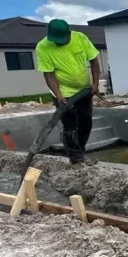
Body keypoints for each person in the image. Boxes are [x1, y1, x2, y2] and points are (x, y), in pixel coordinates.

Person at [35, 19, 101, 165]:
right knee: (70, 125)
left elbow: (94, 61)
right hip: (63, 92)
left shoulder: (80, 38)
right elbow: (49, 74)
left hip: (84, 90)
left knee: (85, 123)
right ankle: (76, 158)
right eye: (56, 41)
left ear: (69, 34)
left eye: (62, 40)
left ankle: (80, 152)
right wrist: (58, 95)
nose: (58, 43)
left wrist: (95, 83)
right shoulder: (43, 47)